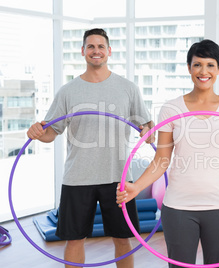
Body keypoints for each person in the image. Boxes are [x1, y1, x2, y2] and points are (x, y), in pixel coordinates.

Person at [116, 39, 219, 268]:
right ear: (189, 68)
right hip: (178, 208)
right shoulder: (171, 108)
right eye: (197, 65)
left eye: (210, 65)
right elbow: (162, 160)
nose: (203, 71)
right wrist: (136, 186)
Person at [27, 28, 154, 268]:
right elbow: (51, 133)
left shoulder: (128, 88)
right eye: (91, 47)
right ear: (83, 51)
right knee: (74, 240)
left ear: (109, 51)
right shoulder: (67, 91)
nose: (96, 51)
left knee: (122, 239)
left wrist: (149, 130)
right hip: (78, 177)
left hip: (118, 177)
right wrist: (37, 133)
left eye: (101, 46)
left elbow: (145, 126)